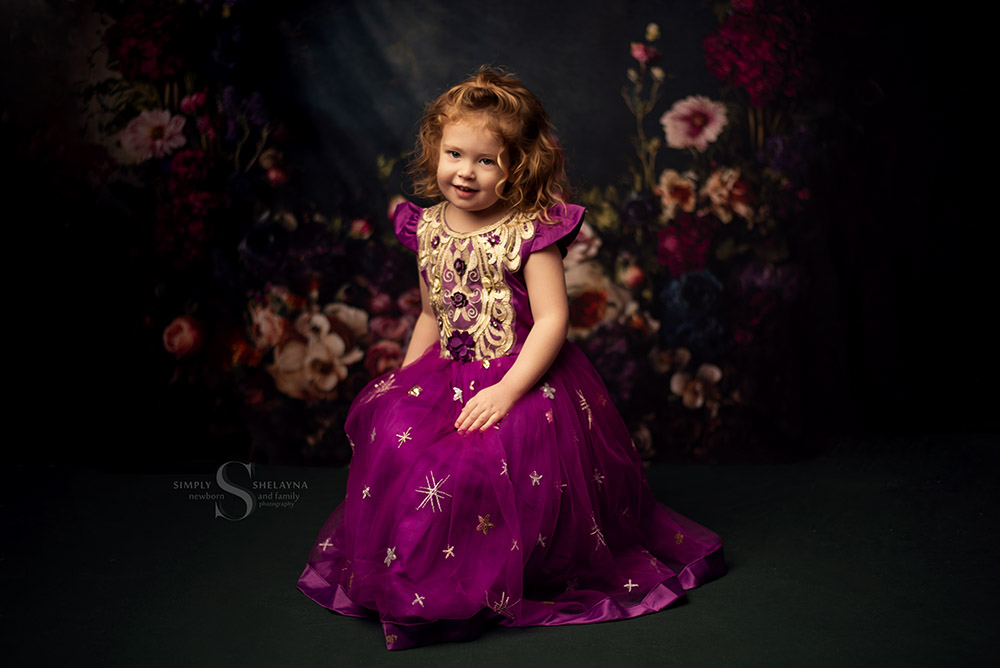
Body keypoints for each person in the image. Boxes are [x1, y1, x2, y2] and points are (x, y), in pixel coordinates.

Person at [297, 66, 726, 651]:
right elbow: (431, 314)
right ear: (435, 148)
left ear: (517, 167)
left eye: (486, 161)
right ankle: (421, 578)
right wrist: (405, 379)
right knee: (399, 437)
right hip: (447, 373)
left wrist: (506, 390)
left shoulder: (530, 232)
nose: (465, 172)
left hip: (521, 375)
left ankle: (488, 577)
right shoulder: (428, 228)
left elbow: (552, 321)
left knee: (484, 461)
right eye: (454, 154)